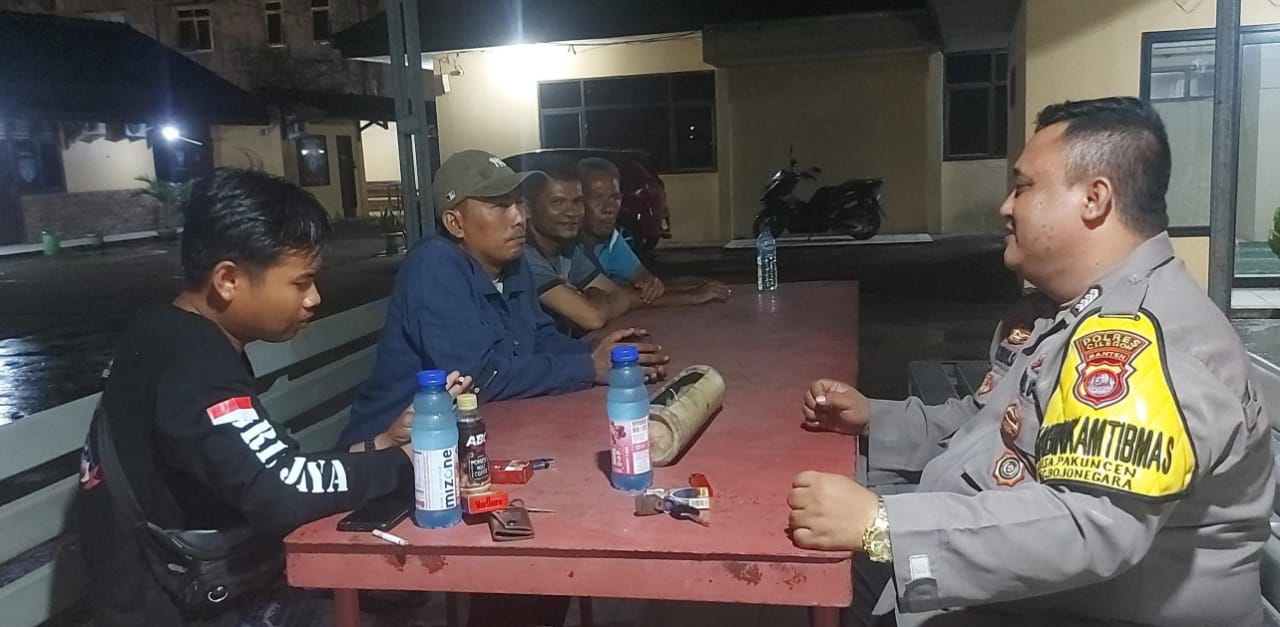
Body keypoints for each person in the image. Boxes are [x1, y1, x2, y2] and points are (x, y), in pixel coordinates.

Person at [787, 97, 1274, 627]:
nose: (1005, 207)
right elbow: (988, 424)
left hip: (1089, 608)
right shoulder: (1062, 312)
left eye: (1023, 187)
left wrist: (883, 525)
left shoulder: (1142, 342)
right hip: (1039, 587)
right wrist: (874, 420)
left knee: (837, 572)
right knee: (820, 567)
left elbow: (1089, 525)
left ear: (1094, 200)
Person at [77, 169, 467, 627]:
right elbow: (279, 491)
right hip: (185, 605)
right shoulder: (195, 367)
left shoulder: (166, 331)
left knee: (399, 592)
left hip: (195, 578)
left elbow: (267, 470)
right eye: (300, 283)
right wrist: (404, 463)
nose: (314, 298)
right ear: (228, 279)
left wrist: (381, 444)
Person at [342, 149, 669, 445]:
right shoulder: (434, 265)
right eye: (499, 206)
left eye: (519, 202)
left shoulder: (513, 264)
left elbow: (540, 338)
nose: (519, 217)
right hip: (389, 455)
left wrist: (602, 354)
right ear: (455, 223)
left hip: (479, 432)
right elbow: (480, 377)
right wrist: (587, 368)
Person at [526, 157, 729, 335]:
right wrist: (595, 296)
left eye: (577, 202)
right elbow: (593, 318)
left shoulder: (566, 250)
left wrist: (591, 297)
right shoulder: (526, 257)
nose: (572, 212)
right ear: (527, 208)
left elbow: (621, 296)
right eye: (558, 202)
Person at [576, 157, 731, 305]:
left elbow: (641, 280)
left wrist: (651, 284)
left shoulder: (611, 239)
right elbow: (611, 297)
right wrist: (690, 296)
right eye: (597, 198)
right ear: (578, 201)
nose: (608, 208)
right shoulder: (567, 246)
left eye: (615, 198)